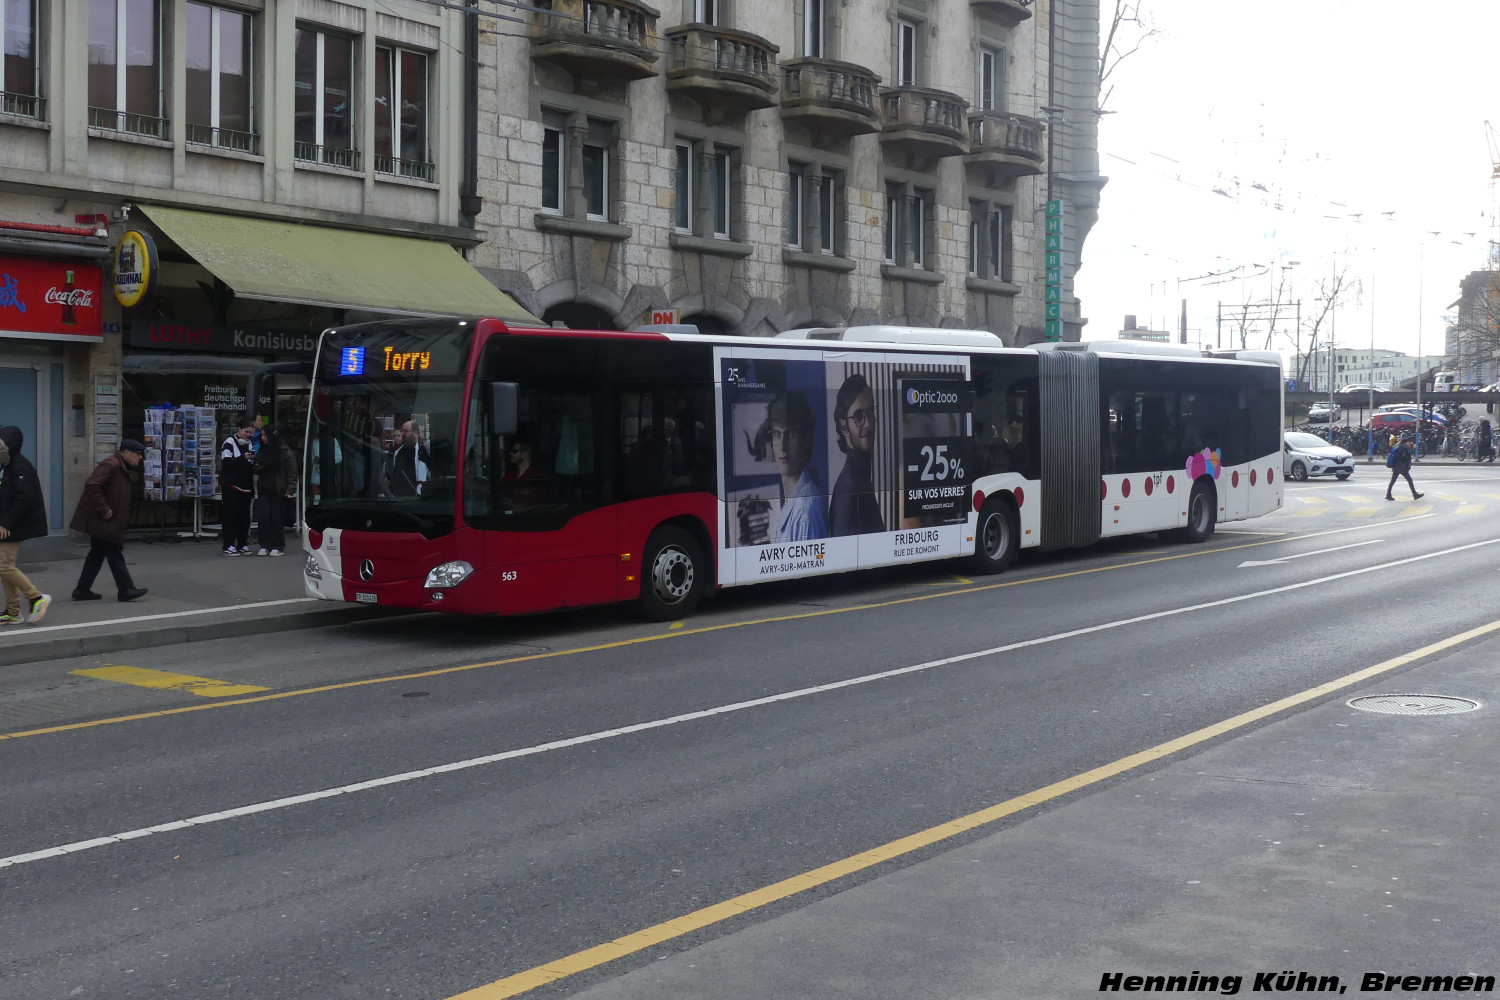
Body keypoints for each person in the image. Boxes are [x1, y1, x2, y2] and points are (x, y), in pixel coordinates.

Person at [70, 440, 148, 602]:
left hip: (106, 521)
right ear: (126, 452)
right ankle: (126, 589)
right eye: (138, 453)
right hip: (105, 520)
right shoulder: (111, 464)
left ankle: (82, 590)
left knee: (97, 554)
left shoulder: (120, 465)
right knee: (114, 551)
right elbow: (92, 485)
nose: (140, 457)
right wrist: (104, 509)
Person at [0, 425, 50, 624]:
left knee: (3, 566)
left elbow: (24, 499)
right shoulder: (6, 464)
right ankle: (13, 612)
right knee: (5, 567)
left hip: (13, 526)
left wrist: (5, 523)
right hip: (7, 525)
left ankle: (36, 597)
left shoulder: (19, 465)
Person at [768, 390, 828, 541]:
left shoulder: (805, 510)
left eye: (791, 434)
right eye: (777, 434)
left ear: (805, 440)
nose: (782, 446)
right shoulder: (794, 501)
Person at [828, 374, 883, 537]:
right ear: (844, 427)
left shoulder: (859, 479)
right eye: (858, 416)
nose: (868, 423)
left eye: (871, 411)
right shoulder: (851, 489)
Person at [253, 425, 298, 556]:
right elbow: (256, 467)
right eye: (261, 435)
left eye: (265, 435)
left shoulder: (284, 452)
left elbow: (292, 473)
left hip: (279, 490)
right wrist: (257, 466)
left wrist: (290, 490)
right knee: (263, 518)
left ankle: (277, 545)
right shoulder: (262, 450)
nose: (263, 438)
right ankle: (264, 544)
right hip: (264, 489)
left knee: (276, 518)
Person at [219, 418, 256, 555]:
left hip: (246, 486)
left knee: (244, 517)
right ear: (239, 430)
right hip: (231, 486)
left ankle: (242, 543)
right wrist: (243, 458)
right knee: (231, 516)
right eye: (247, 432)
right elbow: (226, 462)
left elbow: (250, 464)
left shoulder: (250, 444)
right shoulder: (229, 442)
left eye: (251, 433)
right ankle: (228, 544)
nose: (249, 435)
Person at [387, 419, 430, 497]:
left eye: (405, 431)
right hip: (400, 497)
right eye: (402, 431)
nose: (403, 434)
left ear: (416, 432)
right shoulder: (398, 451)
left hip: (418, 496)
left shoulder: (424, 449)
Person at [1384, 433, 1424, 502]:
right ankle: (1415, 494)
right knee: (1409, 481)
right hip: (1401, 468)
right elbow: (1398, 458)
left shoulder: (1404, 448)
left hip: (1400, 467)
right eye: (1408, 442)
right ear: (1405, 443)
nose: (1409, 443)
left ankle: (1388, 495)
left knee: (1393, 481)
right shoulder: (1401, 449)